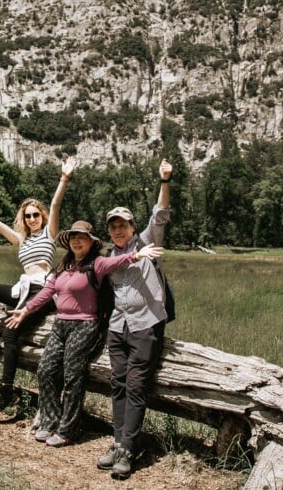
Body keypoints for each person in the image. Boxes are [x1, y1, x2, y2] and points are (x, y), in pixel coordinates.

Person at [7, 221, 162, 448]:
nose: (76, 241)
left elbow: (115, 261)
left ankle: (69, 428)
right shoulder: (64, 265)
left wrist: (137, 255)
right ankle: (50, 420)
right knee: (46, 369)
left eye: (82, 237)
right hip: (61, 325)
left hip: (85, 325)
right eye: (73, 238)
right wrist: (26, 310)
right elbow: (49, 290)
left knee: (72, 376)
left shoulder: (96, 264)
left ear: (91, 241)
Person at [0, 157, 76, 412]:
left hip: (42, 289)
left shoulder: (49, 233)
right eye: (28, 216)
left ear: (42, 216)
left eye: (36, 214)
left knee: (12, 331)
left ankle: (5, 390)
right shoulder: (21, 240)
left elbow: (56, 204)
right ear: (24, 219)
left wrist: (64, 178)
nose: (33, 218)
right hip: (23, 287)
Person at [96, 159, 174, 480]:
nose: (117, 230)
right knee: (118, 382)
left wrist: (164, 181)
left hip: (145, 324)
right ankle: (118, 442)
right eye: (113, 226)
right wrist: (133, 257)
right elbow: (101, 271)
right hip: (118, 326)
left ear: (132, 226)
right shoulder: (107, 256)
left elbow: (160, 213)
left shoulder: (146, 239)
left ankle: (128, 448)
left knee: (136, 384)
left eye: (122, 225)